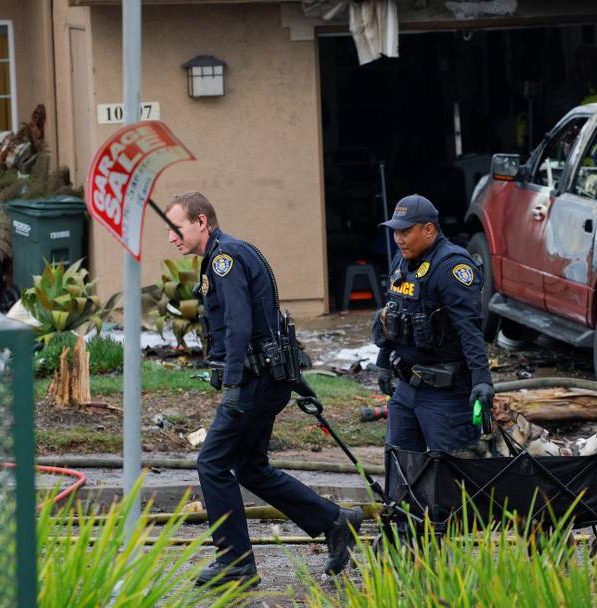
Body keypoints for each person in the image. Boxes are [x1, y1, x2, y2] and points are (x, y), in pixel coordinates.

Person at [165, 192, 363, 586]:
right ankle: (335, 520)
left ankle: (236, 563)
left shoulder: (224, 260)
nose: (172, 238)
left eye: (177, 227)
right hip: (265, 380)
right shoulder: (229, 253)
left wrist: (234, 383)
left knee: (211, 462)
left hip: (254, 383)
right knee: (251, 468)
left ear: (201, 222)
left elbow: (240, 325)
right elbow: (269, 323)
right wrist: (295, 382)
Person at [372, 194, 494, 465]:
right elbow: (392, 316)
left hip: (446, 395)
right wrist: (383, 363)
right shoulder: (402, 261)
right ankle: (402, 509)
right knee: (400, 471)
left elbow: (470, 330)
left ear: (428, 229)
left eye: (405, 232)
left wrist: (482, 381)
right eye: (395, 233)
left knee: (453, 478)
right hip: (405, 388)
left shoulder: (453, 267)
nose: (399, 239)